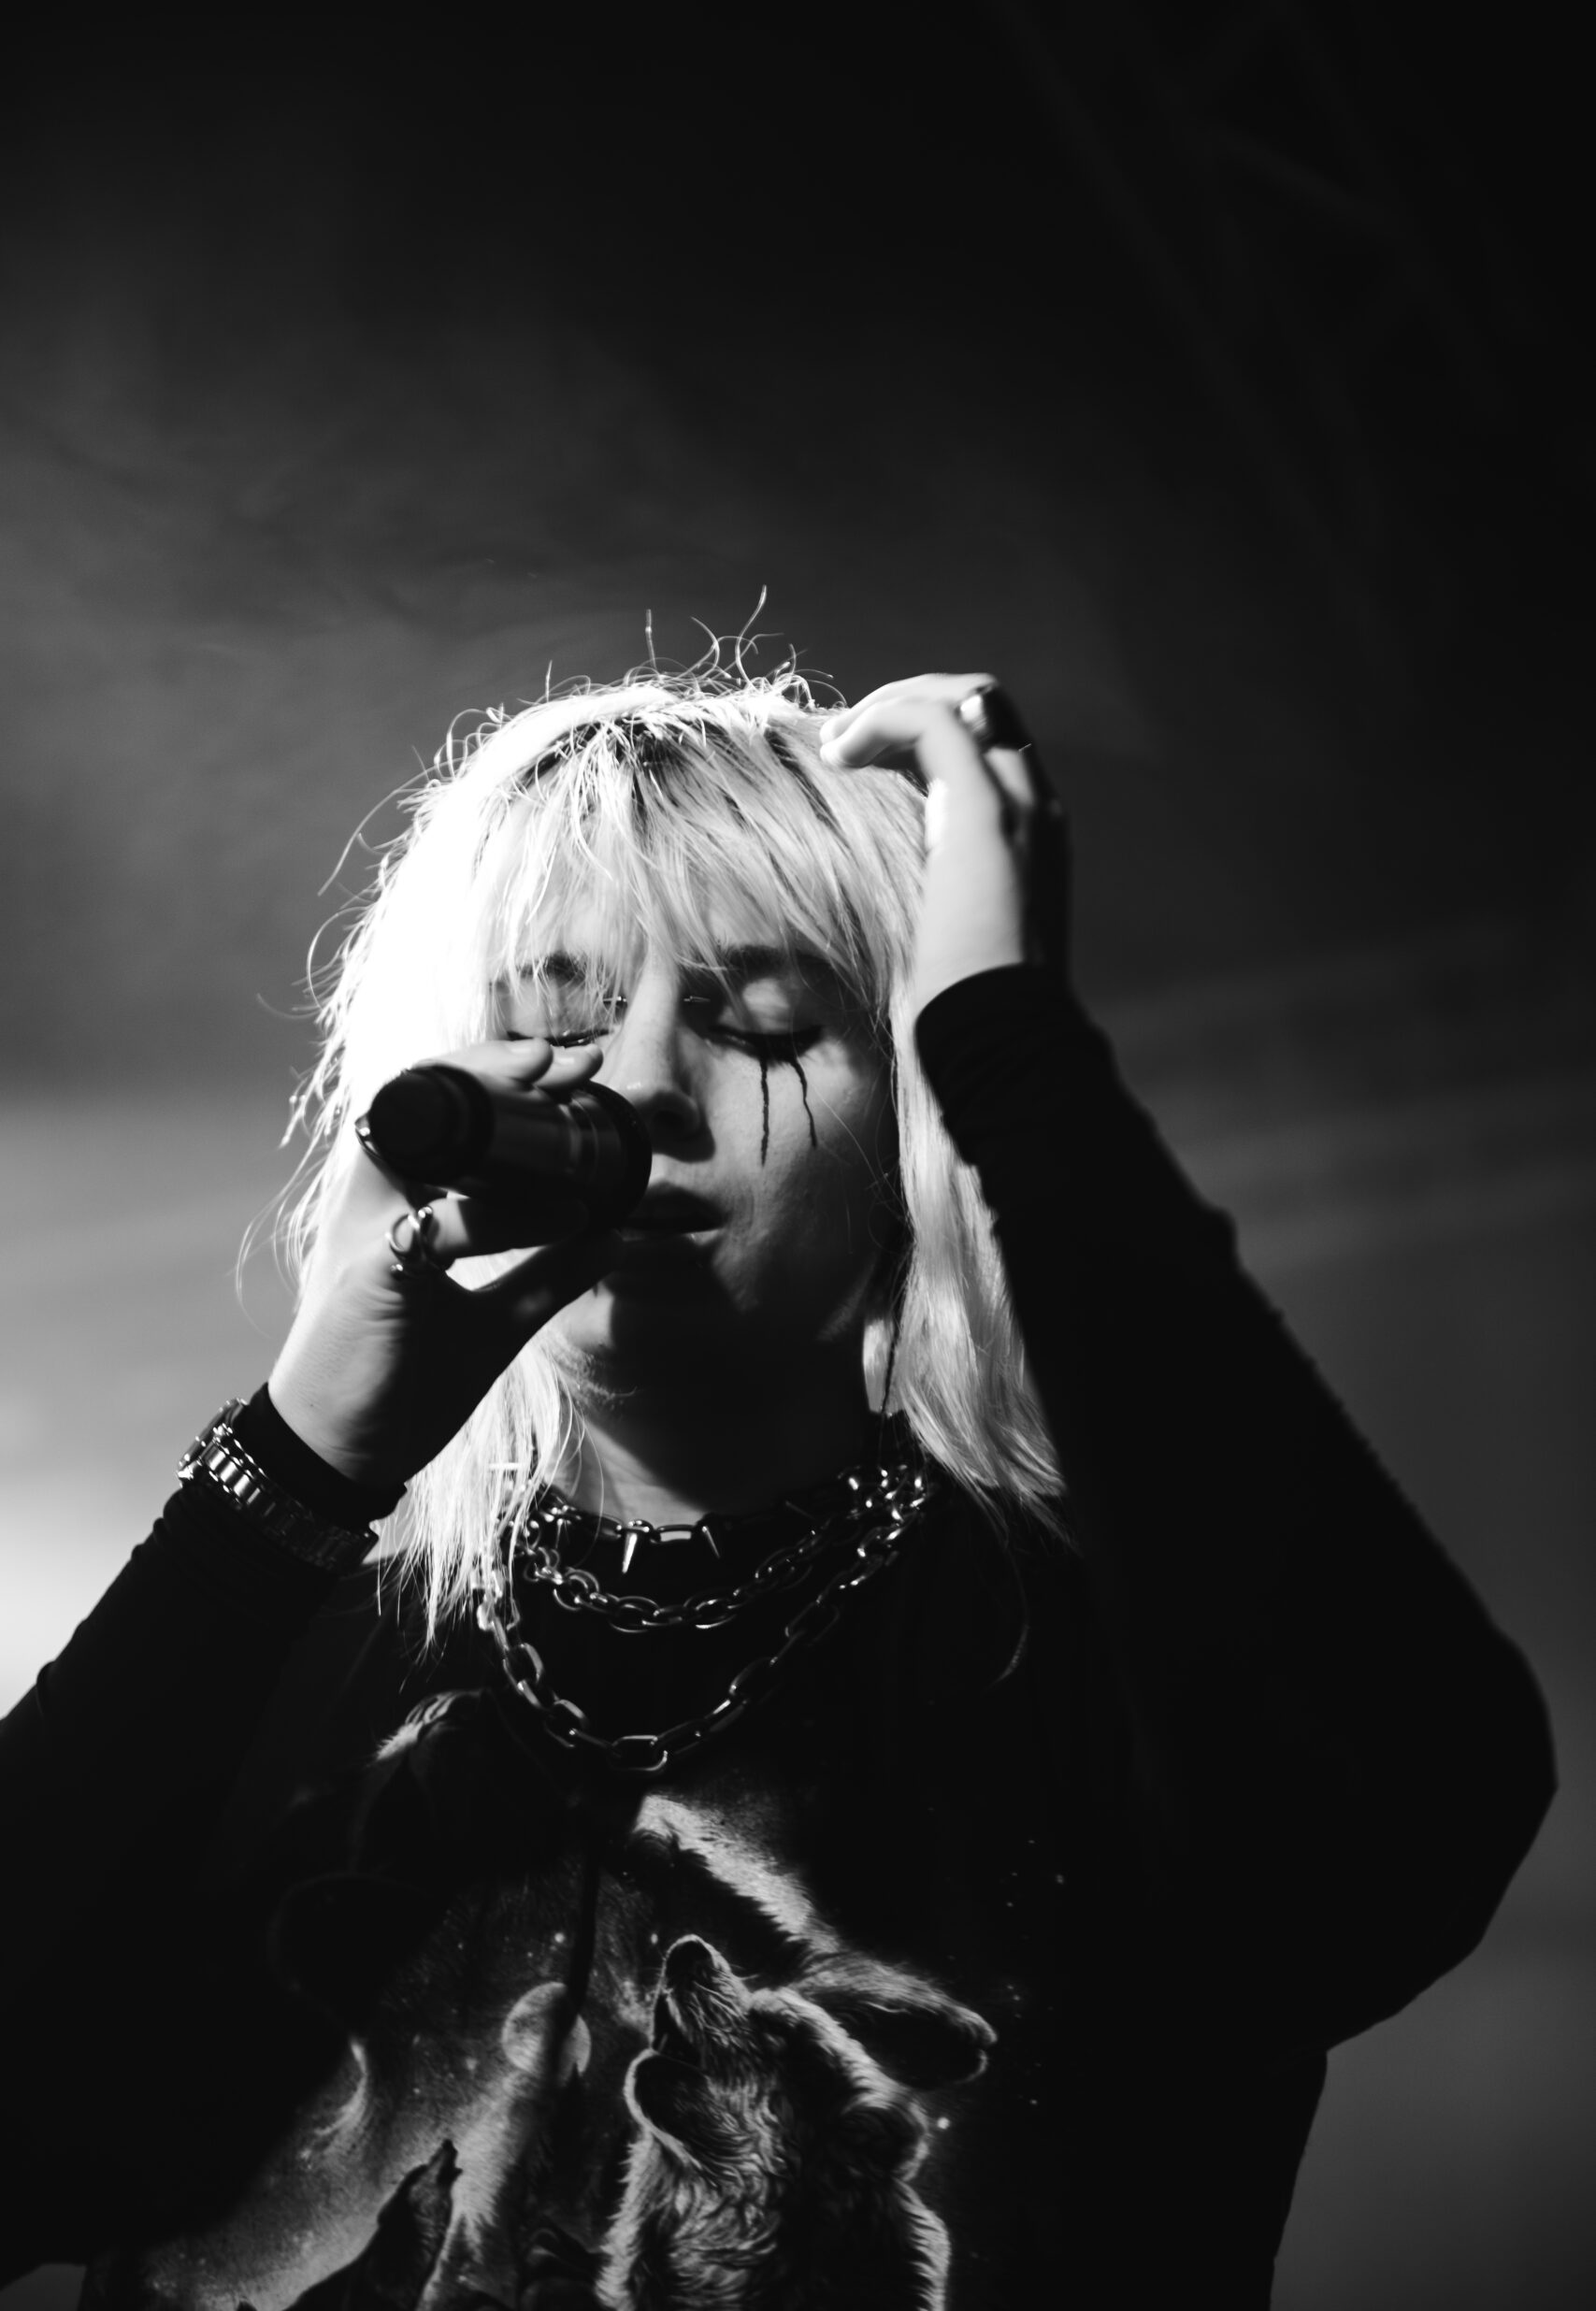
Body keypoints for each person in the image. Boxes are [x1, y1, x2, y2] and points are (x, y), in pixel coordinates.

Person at [0, 659, 1554, 2307]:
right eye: (556, 1023)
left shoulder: (1093, 1661)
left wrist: (1013, 1051)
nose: (640, 1089)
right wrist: (294, 1459)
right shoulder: (281, 1643)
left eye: (757, 1026)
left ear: (911, 1134)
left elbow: (1403, 1822)